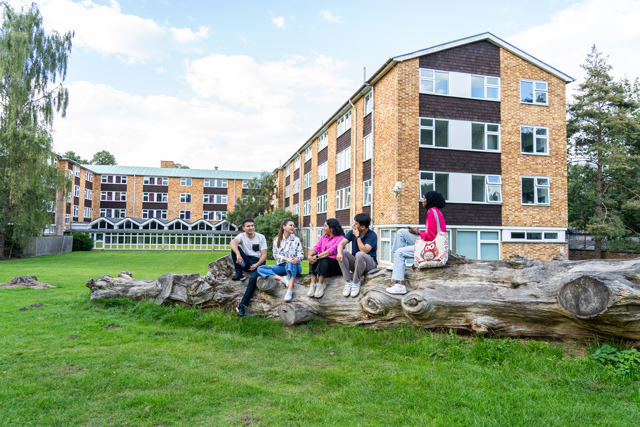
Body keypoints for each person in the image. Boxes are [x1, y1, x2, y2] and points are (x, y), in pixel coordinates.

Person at [386, 190, 447, 295]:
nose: (422, 200)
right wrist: (416, 232)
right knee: (401, 232)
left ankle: (400, 285)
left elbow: (431, 236)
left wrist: (418, 232)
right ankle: (397, 264)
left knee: (399, 253)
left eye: (424, 198)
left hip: (431, 247)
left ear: (430, 200)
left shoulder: (431, 212)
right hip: (432, 243)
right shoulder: (435, 211)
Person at [256, 219, 304, 302]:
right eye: (290, 225)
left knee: (291, 262)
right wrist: (286, 259)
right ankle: (283, 279)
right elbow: (275, 255)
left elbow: (301, 254)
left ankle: (289, 290)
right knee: (260, 268)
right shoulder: (277, 240)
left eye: (293, 225)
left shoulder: (296, 240)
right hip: (282, 266)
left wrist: (297, 258)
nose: (292, 227)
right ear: (284, 227)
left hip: (295, 266)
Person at [230, 218, 268, 316]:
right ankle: (239, 273)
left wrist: (257, 264)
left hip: (258, 261)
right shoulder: (242, 236)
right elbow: (232, 243)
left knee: (253, 279)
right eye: (248, 226)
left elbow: (264, 255)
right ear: (243, 228)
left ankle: (242, 305)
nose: (251, 228)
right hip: (246, 260)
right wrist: (238, 254)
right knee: (235, 248)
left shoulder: (261, 237)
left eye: (252, 225)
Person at [336, 213, 378, 298]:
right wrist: (339, 253)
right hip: (357, 263)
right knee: (343, 252)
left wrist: (357, 236)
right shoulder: (352, 232)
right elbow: (341, 243)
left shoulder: (372, 235)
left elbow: (364, 250)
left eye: (356, 223)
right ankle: (348, 281)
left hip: (370, 265)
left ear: (363, 227)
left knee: (360, 254)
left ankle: (356, 282)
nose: (354, 225)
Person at [307, 218, 344, 298]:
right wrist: (310, 255)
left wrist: (317, 257)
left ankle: (320, 285)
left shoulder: (340, 238)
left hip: (336, 267)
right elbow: (316, 247)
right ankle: (313, 284)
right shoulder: (324, 237)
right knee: (313, 259)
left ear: (332, 228)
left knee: (324, 258)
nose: (323, 228)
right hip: (324, 266)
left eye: (325, 226)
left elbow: (331, 251)